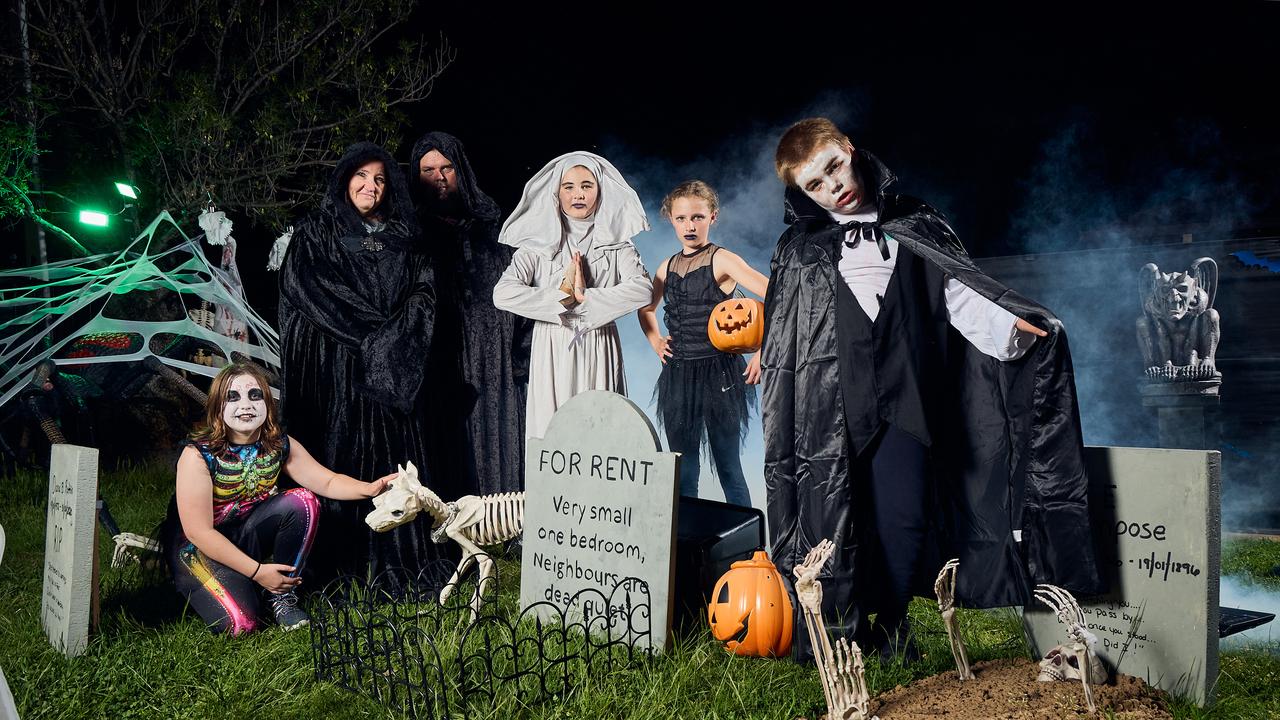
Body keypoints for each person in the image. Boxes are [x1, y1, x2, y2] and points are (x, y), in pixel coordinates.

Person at [763, 118, 1103, 661]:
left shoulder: (916, 222)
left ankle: (891, 622)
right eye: (816, 185)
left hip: (906, 400)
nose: (833, 187)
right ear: (802, 194)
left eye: (834, 168)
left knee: (905, 517)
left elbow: (961, 297)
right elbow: (786, 335)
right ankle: (841, 634)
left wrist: (1014, 330)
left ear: (850, 150)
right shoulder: (798, 249)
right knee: (838, 517)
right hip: (831, 409)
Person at [278, 142, 437, 583]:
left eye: (380, 179)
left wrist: (396, 337)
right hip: (337, 371)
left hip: (391, 368)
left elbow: (424, 292)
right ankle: (341, 564)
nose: (371, 186)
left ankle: (401, 560)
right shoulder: (316, 230)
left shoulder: (404, 236)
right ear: (345, 178)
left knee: (394, 459)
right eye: (362, 176)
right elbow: (313, 291)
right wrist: (373, 333)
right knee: (340, 453)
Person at [165, 362, 393, 634]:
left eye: (254, 395)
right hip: (199, 550)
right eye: (233, 397)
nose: (246, 405)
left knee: (303, 501)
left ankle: (282, 596)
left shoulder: (278, 444)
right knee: (242, 625)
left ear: (267, 403)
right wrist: (257, 572)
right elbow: (199, 533)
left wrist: (368, 489)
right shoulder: (197, 456)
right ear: (217, 407)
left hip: (245, 537)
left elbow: (327, 481)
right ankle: (238, 582)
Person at [493, 152, 653, 439]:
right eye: (569, 186)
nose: (578, 194)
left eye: (587, 185)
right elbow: (503, 293)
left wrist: (587, 298)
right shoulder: (538, 245)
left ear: (600, 191)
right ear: (557, 193)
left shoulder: (618, 245)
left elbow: (643, 289)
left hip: (599, 341)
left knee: (601, 430)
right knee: (552, 429)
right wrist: (564, 298)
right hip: (552, 344)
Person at [408, 132, 532, 498]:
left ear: (461, 171)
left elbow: (522, 296)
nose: (439, 177)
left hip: (493, 359)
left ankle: (501, 523)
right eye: (428, 170)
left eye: (447, 167)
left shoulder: (495, 230)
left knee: (495, 434)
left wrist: (520, 356)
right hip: (435, 358)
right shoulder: (408, 234)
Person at [637, 180, 768, 507]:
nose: (689, 226)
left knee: (728, 467)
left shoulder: (723, 261)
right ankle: (683, 548)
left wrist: (766, 351)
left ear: (713, 217)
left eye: (697, 217)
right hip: (678, 376)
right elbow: (646, 307)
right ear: (671, 219)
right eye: (681, 218)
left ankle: (748, 550)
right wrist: (655, 340)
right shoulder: (666, 267)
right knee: (683, 471)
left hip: (719, 376)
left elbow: (779, 293)